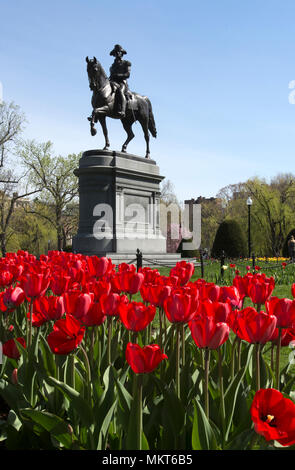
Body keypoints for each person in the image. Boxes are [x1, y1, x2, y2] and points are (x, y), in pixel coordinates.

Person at [109, 44, 132, 117]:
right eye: (116, 52)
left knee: (120, 91)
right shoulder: (112, 66)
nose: (118, 53)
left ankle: (122, 110)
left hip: (122, 82)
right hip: (113, 82)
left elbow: (127, 74)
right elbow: (111, 76)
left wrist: (117, 75)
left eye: (119, 52)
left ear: (122, 53)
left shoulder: (126, 63)